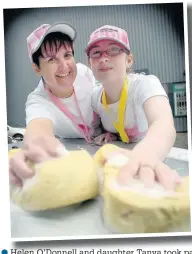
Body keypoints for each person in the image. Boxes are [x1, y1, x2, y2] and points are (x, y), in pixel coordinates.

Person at [85, 25, 182, 190]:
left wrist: (147, 153)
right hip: (119, 163)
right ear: (90, 63)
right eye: (96, 52)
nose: (103, 58)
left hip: (152, 163)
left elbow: (163, 123)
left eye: (114, 50)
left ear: (129, 59)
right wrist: (108, 133)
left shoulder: (145, 84)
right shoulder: (95, 98)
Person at [9, 22, 101, 187]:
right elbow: (38, 128)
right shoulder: (38, 100)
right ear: (37, 68)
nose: (64, 66)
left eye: (67, 55)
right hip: (78, 153)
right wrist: (33, 147)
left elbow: (105, 102)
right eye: (52, 59)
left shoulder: (85, 73)